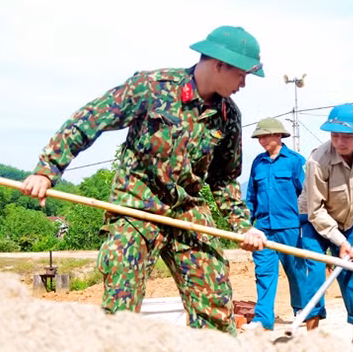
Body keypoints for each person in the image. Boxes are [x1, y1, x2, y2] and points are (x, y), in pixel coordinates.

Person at [20, 26, 267, 335]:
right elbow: (90, 120)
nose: (244, 83)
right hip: (136, 206)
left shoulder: (228, 116)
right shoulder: (151, 88)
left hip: (186, 211)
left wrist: (243, 225)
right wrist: (48, 169)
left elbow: (225, 179)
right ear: (219, 64)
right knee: (121, 300)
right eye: (242, 74)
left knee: (215, 297)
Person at [300, 103, 353, 344]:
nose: (340, 141)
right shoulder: (318, 160)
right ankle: (312, 337)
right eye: (335, 135)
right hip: (315, 222)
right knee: (316, 273)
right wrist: (340, 242)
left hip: (350, 221)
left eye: (347, 136)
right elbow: (316, 211)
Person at [244, 118, 313, 331]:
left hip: (289, 227)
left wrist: (305, 223)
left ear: (278, 136)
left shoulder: (294, 161)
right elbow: (251, 195)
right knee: (264, 272)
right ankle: (264, 319)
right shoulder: (258, 162)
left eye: (265, 136)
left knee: (295, 269)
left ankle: (301, 309)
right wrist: (246, 223)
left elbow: (306, 194)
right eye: (259, 137)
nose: (262, 141)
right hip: (262, 228)